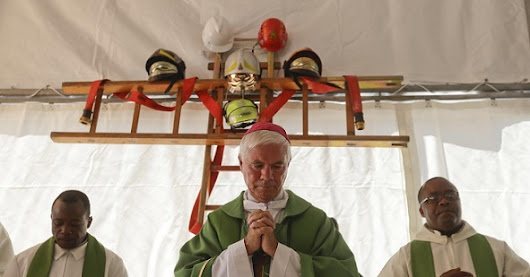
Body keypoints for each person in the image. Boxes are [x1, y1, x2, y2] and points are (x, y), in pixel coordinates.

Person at [174, 122, 360, 276]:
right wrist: (244, 249)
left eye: (277, 166)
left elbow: (348, 273)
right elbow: (185, 272)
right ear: (241, 163)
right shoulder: (219, 221)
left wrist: (279, 252)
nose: (266, 175)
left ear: (288, 164)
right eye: (257, 165)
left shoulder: (315, 221)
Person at [378, 177, 530, 277]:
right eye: (433, 198)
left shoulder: (496, 249)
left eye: (450, 195)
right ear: (421, 211)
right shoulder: (406, 256)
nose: (444, 201)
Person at [4, 190, 128, 277]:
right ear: (51, 219)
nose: (65, 230)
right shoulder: (23, 262)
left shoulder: (112, 264)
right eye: (58, 223)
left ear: (89, 222)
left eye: (74, 224)